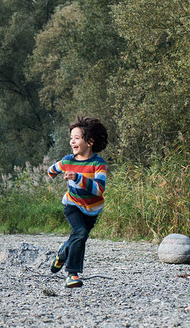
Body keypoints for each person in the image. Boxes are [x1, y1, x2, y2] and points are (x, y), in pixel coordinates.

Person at [47, 115, 108, 288]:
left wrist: (78, 177)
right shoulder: (68, 160)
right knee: (80, 233)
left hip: (92, 210)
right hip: (72, 204)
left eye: (77, 138)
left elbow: (99, 189)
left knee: (79, 236)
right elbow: (52, 170)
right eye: (71, 138)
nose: (72, 142)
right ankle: (72, 274)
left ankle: (62, 253)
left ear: (89, 142)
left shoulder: (98, 164)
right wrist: (53, 171)